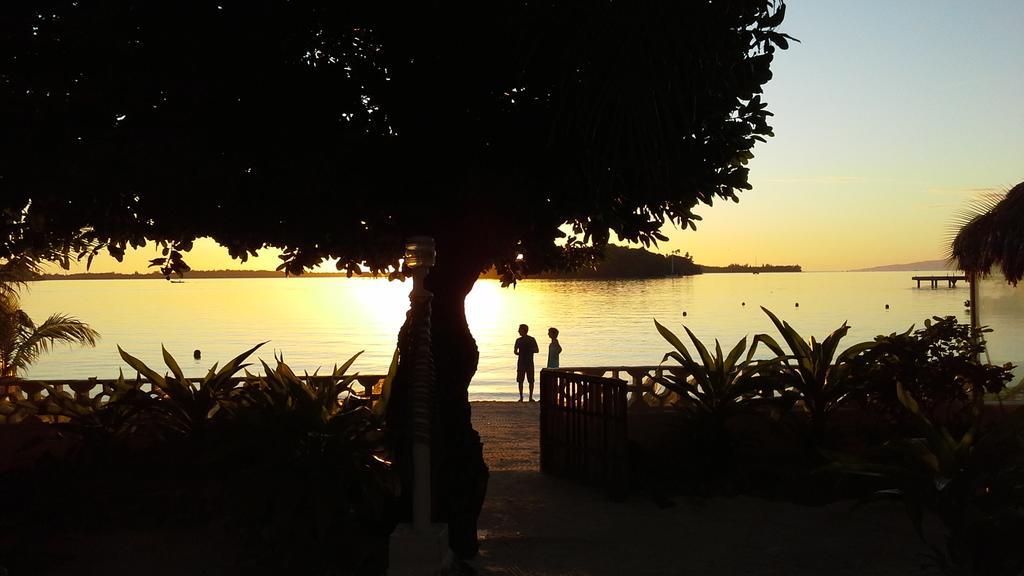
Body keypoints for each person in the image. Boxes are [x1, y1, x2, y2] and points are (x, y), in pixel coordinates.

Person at [514, 324, 539, 402]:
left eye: (519, 330)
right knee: (529, 381)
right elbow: (536, 350)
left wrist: (521, 353)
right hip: (528, 362)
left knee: (522, 381)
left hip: (523, 362)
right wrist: (529, 351)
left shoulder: (519, 340)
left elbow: (515, 352)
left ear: (523, 330)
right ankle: (529, 397)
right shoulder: (531, 339)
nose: (518, 331)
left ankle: (522, 398)